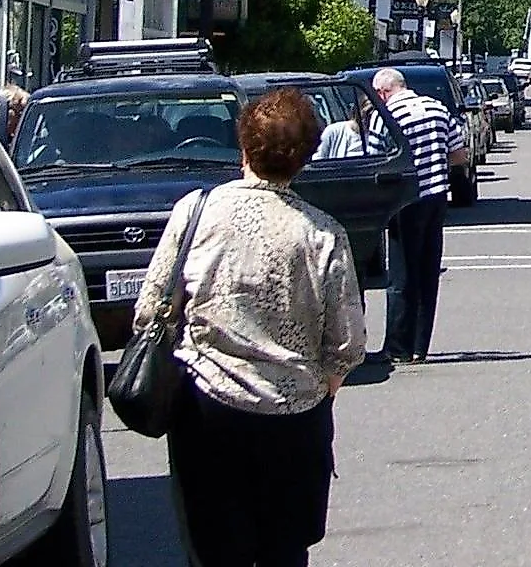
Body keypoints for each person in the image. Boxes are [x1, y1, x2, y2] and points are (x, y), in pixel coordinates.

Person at [132, 88, 363, 567]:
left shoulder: (196, 214)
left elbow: (152, 308)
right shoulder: (322, 233)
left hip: (207, 407)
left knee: (215, 551)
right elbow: (346, 342)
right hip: (295, 415)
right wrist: (322, 382)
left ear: (244, 147)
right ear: (305, 158)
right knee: (285, 549)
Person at [374, 67, 459, 364]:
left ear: (384, 93)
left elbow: (376, 156)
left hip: (405, 199)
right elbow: (458, 154)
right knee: (427, 272)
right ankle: (420, 346)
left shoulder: (385, 114)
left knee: (400, 274)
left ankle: (397, 346)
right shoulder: (438, 108)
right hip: (436, 197)